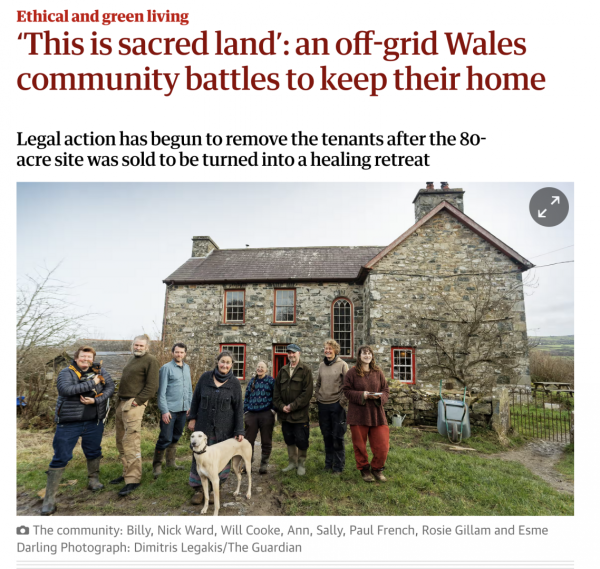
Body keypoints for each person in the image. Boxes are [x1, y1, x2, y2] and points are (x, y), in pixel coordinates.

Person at [41, 346, 115, 515]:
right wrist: (93, 383)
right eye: (83, 357)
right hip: (69, 423)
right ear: (76, 358)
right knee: (61, 457)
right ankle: (49, 499)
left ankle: (93, 480)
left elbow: (110, 387)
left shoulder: (100, 370)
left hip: (93, 421)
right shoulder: (66, 372)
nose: (86, 360)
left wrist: (97, 400)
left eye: (89, 357)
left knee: (94, 451)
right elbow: (66, 390)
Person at [187, 350, 245, 505]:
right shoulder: (205, 378)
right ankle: (199, 489)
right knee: (200, 456)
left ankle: (214, 489)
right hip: (203, 426)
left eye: (228, 362)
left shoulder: (234, 383)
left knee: (220, 459)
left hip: (225, 429)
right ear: (217, 362)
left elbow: (239, 408)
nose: (224, 365)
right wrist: (192, 418)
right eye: (222, 361)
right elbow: (196, 400)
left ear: (231, 365)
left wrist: (239, 430)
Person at [111, 334, 159, 497]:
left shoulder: (150, 360)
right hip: (121, 402)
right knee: (121, 439)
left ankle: (133, 479)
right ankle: (126, 472)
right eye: (136, 345)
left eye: (141, 346)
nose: (138, 348)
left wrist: (137, 401)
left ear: (147, 347)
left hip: (133, 404)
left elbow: (152, 386)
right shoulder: (132, 359)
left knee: (131, 440)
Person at [342, 345, 390, 483]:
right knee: (360, 446)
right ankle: (364, 469)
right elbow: (346, 391)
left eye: (369, 353)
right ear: (359, 356)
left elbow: (386, 390)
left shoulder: (378, 372)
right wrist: (363, 395)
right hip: (358, 414)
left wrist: (380, 397)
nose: (367, 355)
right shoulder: (351, 373)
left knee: (382, 446)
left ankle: (377, 468)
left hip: (376, 414)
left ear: (372, 356)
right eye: (364, 353)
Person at [152, 342, 193, 478]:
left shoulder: (187, 368)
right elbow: (161, 392)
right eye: (177, 352)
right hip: (170, 410)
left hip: (183, 410)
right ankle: (157, 466)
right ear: (172, 353)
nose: (179, 354)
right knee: (165, 438)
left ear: (185, 353)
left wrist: (189, 406)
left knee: (176, 437)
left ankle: (171, 463)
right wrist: (164, 410)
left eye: (181, 352)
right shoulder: (166, 368)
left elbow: (189, 390)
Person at [273, 343, 314, 476]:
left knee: (301, 439)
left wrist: (292, 406)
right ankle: (292, 462)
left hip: (300, 415)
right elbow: (276, 392)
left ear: (299, 353)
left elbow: (307, 393)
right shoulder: (283, 370)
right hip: (285, 415)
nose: (291, 355)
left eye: (294, 352)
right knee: (289, 438)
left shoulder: (305, 370)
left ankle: (301, 463)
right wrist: (281, 406)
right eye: (289, 353)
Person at [315, 339, 349, 474]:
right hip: (323, 405)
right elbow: (318, 384)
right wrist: (317, 397)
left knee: (338, 437)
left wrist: (341, 403)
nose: (327, 351)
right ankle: (328, 463)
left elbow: (348, 386)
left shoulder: (343, 365)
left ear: (335, 350)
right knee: (326, 436)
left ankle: (338, 466)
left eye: (330, 348)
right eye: (325, 348)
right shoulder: (321, 365)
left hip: (337, 406)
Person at [243, 360, 276, 474]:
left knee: (266, 440)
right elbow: (246, 396)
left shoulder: (271, 381)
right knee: (248, 441)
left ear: (266, 370)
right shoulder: (252, 381)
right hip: (251, 414)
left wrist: (273, 410)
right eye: (258, 367)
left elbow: (276, 395)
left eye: (262, 367)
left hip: (266, 413)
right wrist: (246, 410)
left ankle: (264, 464)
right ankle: (248, 463)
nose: (260, 369)